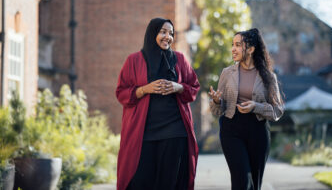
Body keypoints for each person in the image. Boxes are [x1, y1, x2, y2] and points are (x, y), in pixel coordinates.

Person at [116, 18, 200, 190]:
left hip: (175, 131)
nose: (167, 37)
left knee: (169, 183)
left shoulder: (180, 59)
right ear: (152, 33)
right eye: (163, 32)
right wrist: (144, 89)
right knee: (140, 182)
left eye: (171, 33)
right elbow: (121, 93)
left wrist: (179, 87)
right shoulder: (133, 61)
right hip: (143, 132)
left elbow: (194, 88)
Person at [208, 28, 284, 190]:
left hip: (258, 132)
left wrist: (256, 107)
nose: (233, 49)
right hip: (231, 130)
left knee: (254, 185)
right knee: (241, 181)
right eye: (232, 45)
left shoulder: (268, 77)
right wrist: (216, 101)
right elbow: (218, 110)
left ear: (250, 49)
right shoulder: (227, 73)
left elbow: (277, 110)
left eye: (238, 45)